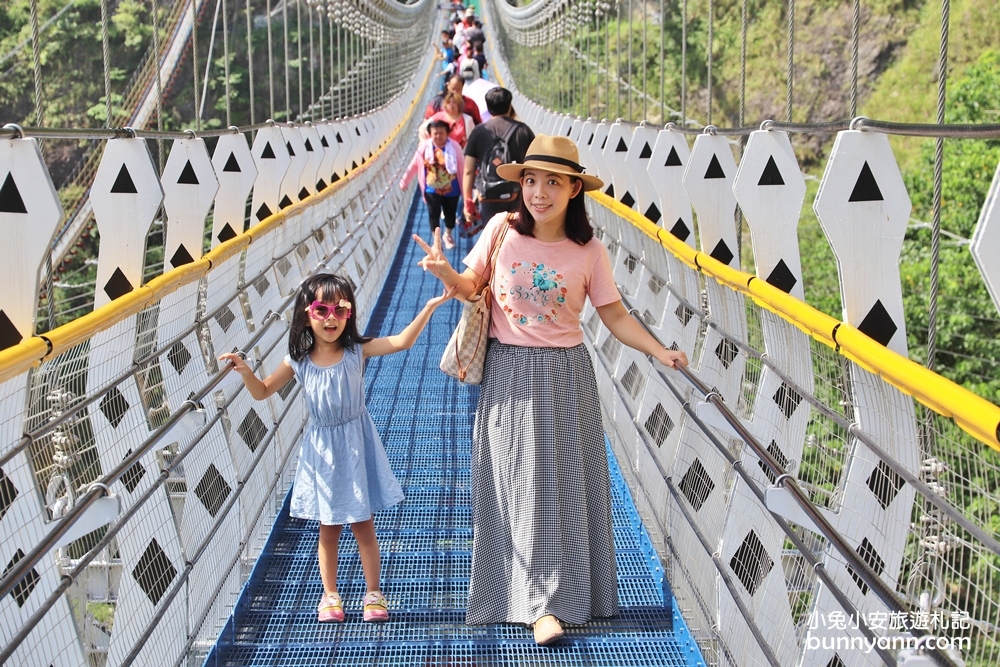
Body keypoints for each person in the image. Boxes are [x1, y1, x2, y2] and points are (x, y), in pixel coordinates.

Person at [413, 136, 689, 646]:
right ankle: (526, 599)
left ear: (573, 190)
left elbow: (614, 316)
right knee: (516, 487)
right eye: (531, 181)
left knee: (561, 488)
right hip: (509, 372)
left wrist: (658, 351)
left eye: (553, 183)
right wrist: (446, 271)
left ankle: (551, 605)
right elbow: (473, 287)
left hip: (566, 375)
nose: (539, 193)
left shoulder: (589, 251)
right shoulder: (501, 231)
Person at [219, 274, 456, 624]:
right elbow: (263, 391)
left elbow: (402, 342)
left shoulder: (355, 350)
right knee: (328, 528)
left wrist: (429, 307)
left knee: (363, 524)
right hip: (323, 451)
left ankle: (373, 592)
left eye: (340, 309)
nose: (331, 318)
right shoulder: (297, 360)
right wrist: (244, 371)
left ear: (349, 313)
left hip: (356, 443)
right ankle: (330, 595)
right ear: (307, 313)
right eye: (321, 309)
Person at [462, 87, 534, 234]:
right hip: (516, 195)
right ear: (509, 105)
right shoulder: (523, 131)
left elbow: (469, 171)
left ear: (488, 108)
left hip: (488, 195)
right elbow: (534, 166)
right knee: (516, 237)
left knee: (492, 238)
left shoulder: (478, 132)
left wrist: (468, 202)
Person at [400, 119, 465, 249]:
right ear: (430, 134)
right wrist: (404, 181)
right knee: (433, 214)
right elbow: (414, 165)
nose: (438, 136)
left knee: (450, 215)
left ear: (447, 133)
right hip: (431, 189)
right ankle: (436, 242)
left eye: (441, 133)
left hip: (452, 189)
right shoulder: (424, 148)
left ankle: (448, 233)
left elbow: (463, 167)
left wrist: (467, 189)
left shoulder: (455, 147)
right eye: (435, 133)